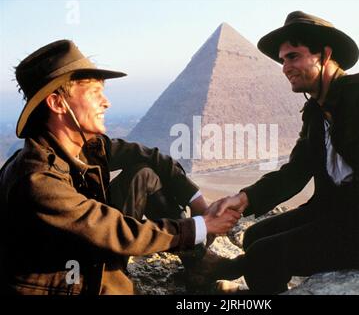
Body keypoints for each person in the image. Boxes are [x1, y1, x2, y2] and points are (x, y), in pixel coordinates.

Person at [208, 11, 359, 294]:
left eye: (293, 56)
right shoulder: (315, 113)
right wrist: (242, 199)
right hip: (344, 215)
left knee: (264, 255)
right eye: (283, 59)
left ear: (325, 54)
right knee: (255, 235)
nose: (285, 67)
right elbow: (295, 173)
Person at [0, 40, 240, 295]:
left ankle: (199, 266)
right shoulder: (37, 180)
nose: (107, 103)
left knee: (144, 174)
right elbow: (117, 231)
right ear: (58, 104)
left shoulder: (83, 147)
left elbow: (151, 157)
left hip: (87, 257)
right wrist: (202, 226)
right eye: (94, 93)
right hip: (65, 285)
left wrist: (196, 199)